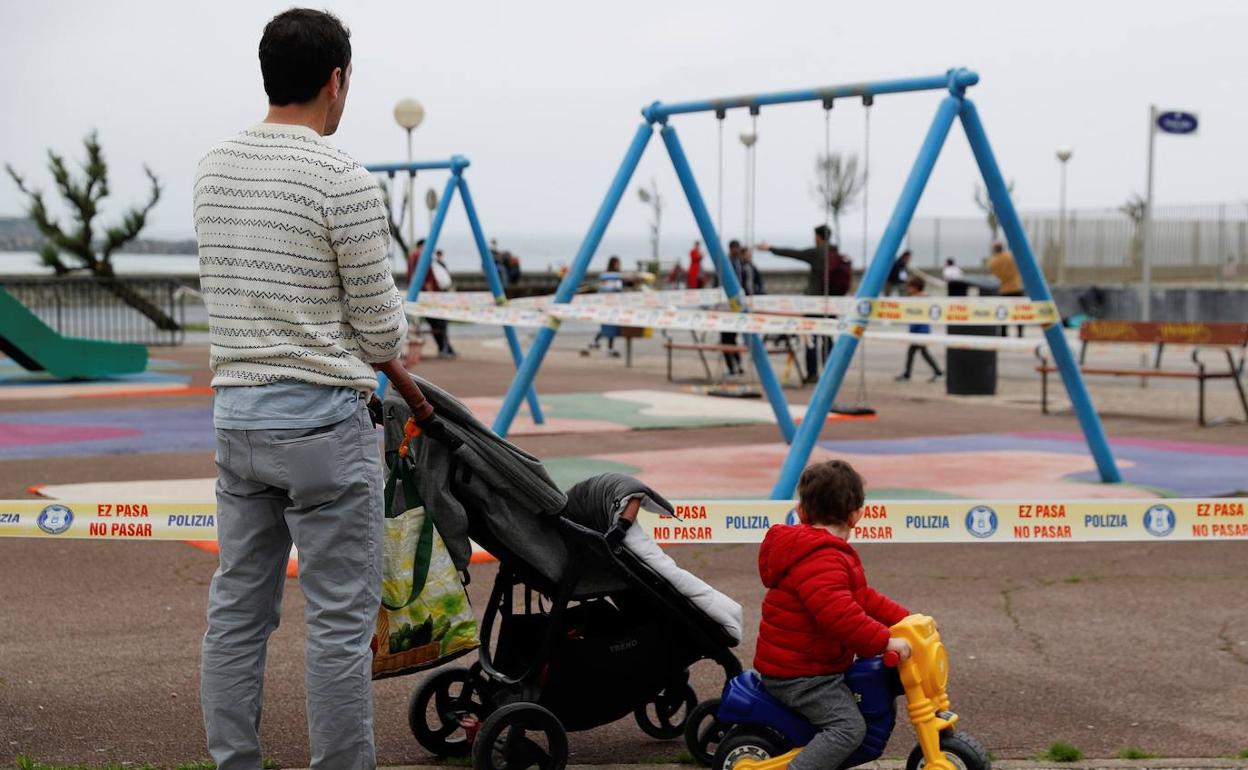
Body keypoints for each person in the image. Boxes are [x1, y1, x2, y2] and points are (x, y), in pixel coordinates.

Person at [193, 10, 433, 769]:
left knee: (236, 612)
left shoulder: (212, 168)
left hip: (237, 417)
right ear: (337, 80)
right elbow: (380, 332)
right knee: (336, 623)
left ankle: (236, 762)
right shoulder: (341, 176)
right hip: (323, 427)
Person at [754, 460, 912, 770]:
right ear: (857, 515)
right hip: (800, 676)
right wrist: (885, 641)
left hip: (813, 665)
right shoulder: (821, 558)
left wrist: (906, 619)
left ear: (801, 511)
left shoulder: (822, 552)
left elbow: (861, 597)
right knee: (848, 728)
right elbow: (839, 615)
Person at [756, 225, 851, 382]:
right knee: (827, 338)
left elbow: (793, 253)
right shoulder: (835, 253)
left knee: (810, 339)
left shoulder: (817, 253)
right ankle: (831, 373)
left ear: (819, 237)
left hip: (813, 303)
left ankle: (812, 374)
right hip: (830, 303)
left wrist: (769, 248)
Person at [895, 276, 943, 383]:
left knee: (922, 352)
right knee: (915, 352)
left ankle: (938, 372)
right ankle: (908, 374)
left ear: (916, 287)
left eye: (910, 287)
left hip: (920, 330)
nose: (908, 289)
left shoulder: (919, 299)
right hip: (918, 330)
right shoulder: (917, 298)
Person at [582, 256, 624, 358]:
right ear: (613, 264)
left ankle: (597, 343)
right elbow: (614, 288)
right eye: (617, 263)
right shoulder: (611, 276)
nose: (618, 265)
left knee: (609, 326)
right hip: (609, 304)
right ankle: (604, 345)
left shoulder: (610, 275)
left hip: (612, 304)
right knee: (608, 326)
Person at [987, 240, 1024, 337]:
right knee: (1019, 312)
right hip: (1016, 287)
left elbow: (994, 276)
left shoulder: (993, 261)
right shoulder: (1011, 256)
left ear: (994, 250)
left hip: (1003, 290)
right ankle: (1020, 332)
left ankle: (1003, 333)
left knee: (1003, 312)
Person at [423, 249, 456, 359]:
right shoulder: (432, 264)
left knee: (440, 325)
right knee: (440, 325)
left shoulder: (435, 264)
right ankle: (445, 348)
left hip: (436, 297)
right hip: (435, 297)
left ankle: (445, 348)